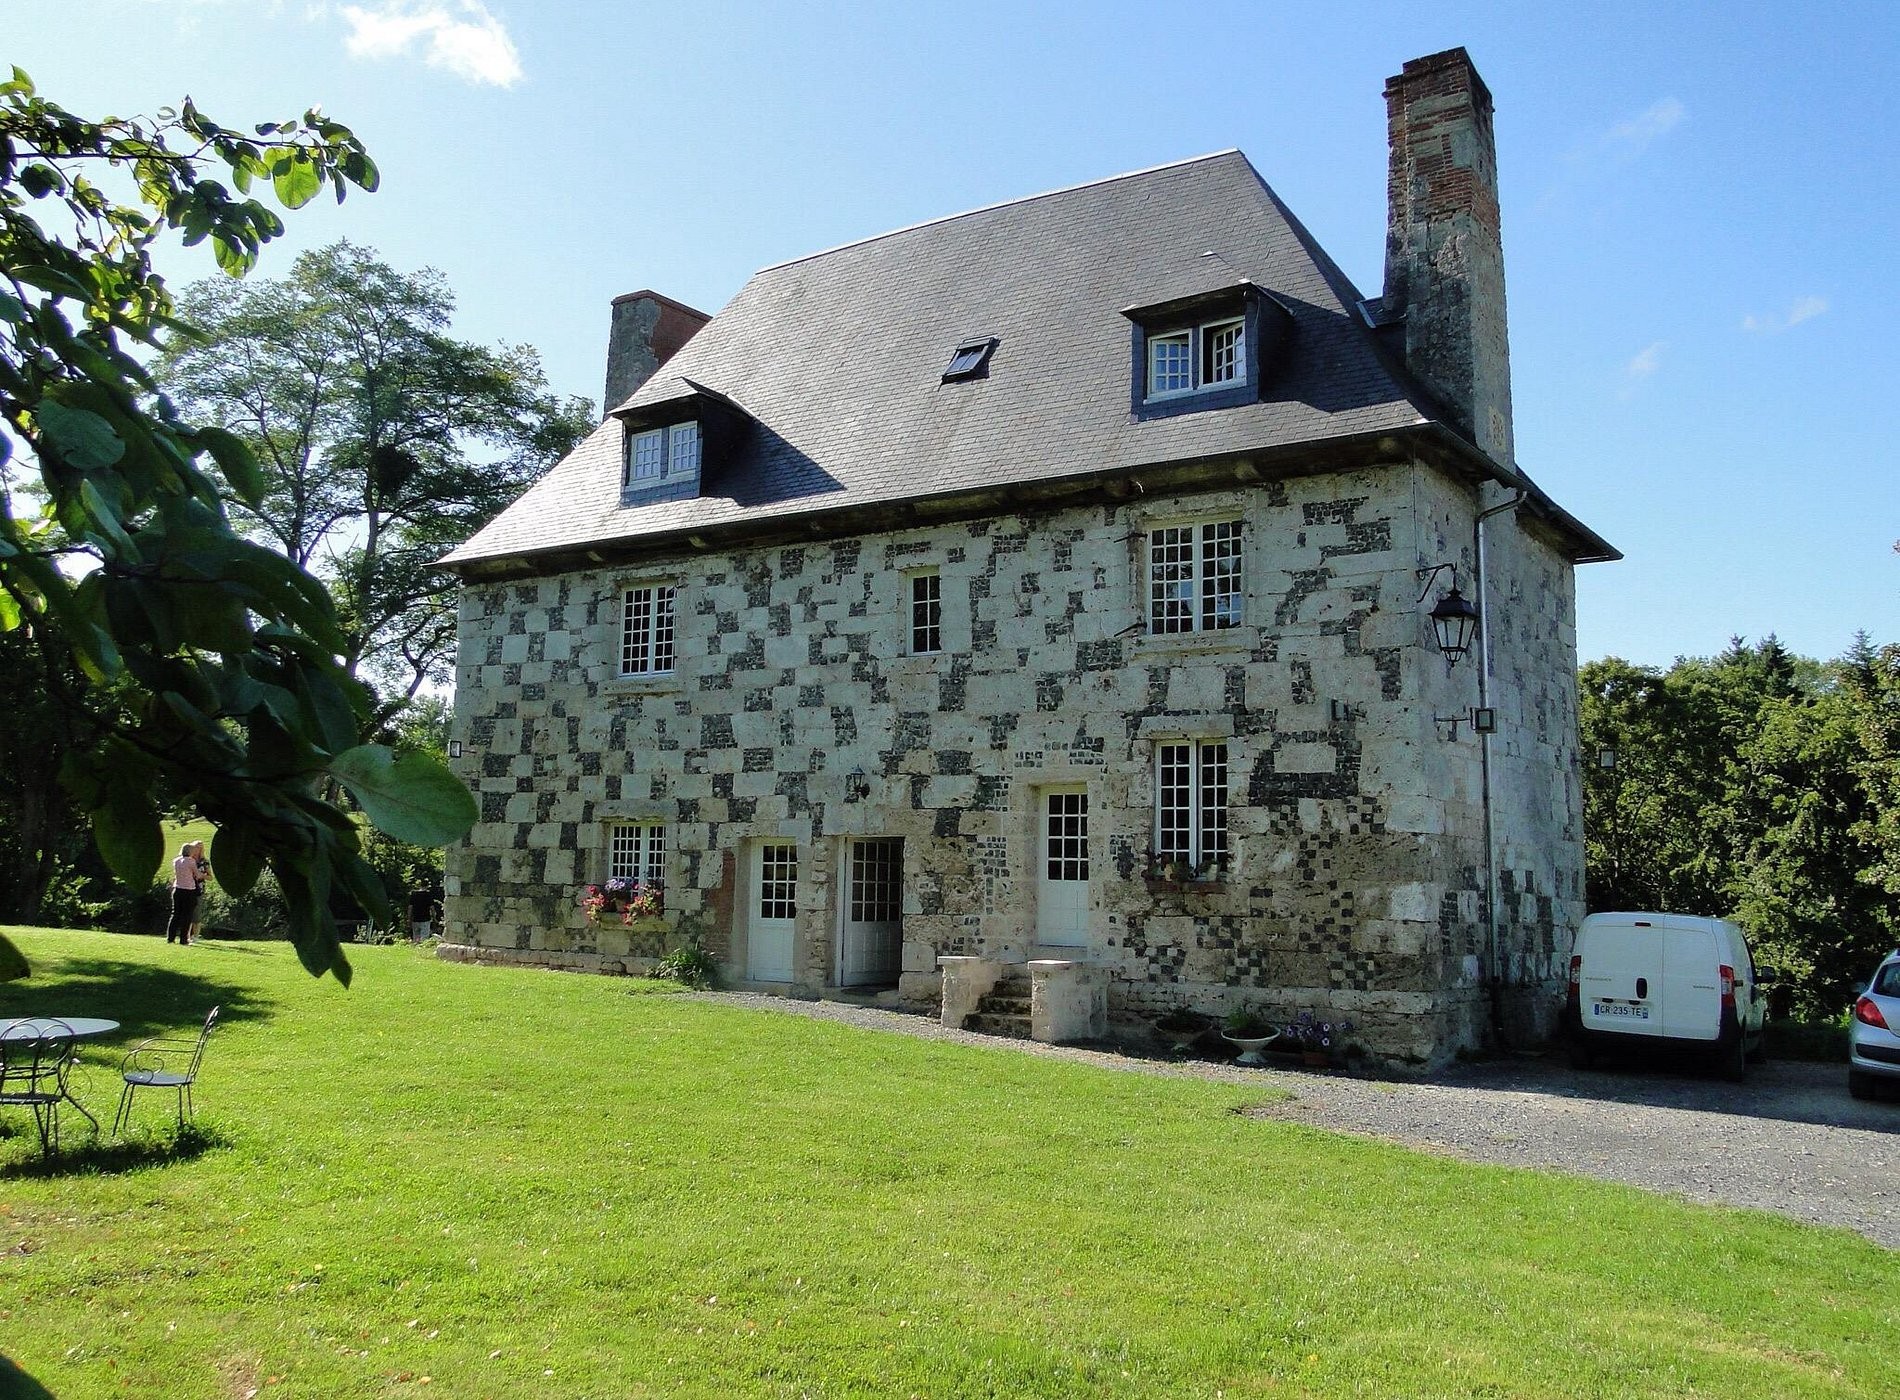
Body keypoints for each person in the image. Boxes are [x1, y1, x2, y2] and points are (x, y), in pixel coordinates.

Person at [166, 841, 201, 945]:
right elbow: (197, 875)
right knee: (187, 915)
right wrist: (203, 875)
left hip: (178, 888)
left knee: (175, 914)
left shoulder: (176, 861)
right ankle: (183, 939)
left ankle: (170, 938)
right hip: (189, 890)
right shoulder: (191, 861)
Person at [188, 841, 213, 943]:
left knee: (197, 914)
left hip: (199, 890)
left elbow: (210, 877)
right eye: (196, 847)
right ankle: (187, 935)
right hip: (187, 888)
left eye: (200, 848)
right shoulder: (188, 860)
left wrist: (202, 875)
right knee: (188, 913)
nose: (198, 850)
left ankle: (196, 936)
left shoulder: (204, 862)